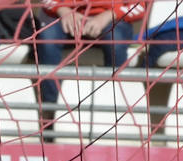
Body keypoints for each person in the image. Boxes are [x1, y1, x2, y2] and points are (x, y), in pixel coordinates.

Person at [33, 0, 148, 137]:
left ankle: (115, 109)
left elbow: (139, 6)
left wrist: (109, 15)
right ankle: (52, 111)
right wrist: (63, 10)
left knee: (116, 42)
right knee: (48, 39)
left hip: (111, 18)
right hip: (64, 15)